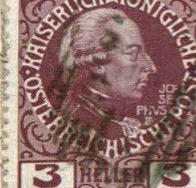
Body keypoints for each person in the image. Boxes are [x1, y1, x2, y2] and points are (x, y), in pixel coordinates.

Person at [56, 9, 156, 139]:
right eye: (133, 53)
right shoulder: (75, 119)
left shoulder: (111, 118)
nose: (151, 67)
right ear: (97, 64)